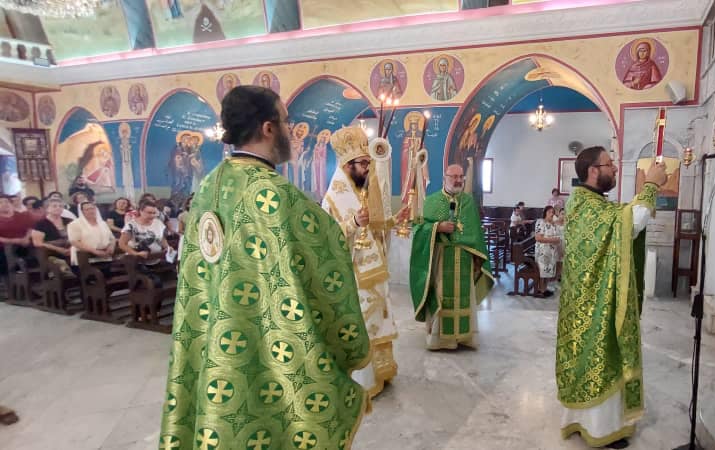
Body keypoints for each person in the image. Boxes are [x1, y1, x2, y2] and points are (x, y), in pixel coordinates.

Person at [159, 85, 371, 450]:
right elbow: (327, 257)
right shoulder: (276, 195)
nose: (291, 130)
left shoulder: (208, 188)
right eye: (287, 122)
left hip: (215, 337)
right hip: (265, 337)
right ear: (269, 128)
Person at [557, 146, 667, 448]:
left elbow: (619, 220)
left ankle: (582, 421)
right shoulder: (585, 204)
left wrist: (642, 193)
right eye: (610, 164)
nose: (615, 169)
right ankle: (601, 429)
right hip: (593, 300)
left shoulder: (590, 203)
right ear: (593, 170)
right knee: (600, 355)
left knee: (586, 357)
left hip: (585, 297)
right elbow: (627, 224)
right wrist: (652, 186)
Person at [321, 126, 410, 398]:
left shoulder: (362, 191)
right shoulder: (333, 198)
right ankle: (363, 381)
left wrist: (396, 218)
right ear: (348, 165)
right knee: (362, 323)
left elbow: (375, 228)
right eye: (363, 164)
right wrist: (352, 223)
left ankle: (381, 374)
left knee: (378, 321)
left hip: (374, 271)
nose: (367, 168)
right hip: (353, 275)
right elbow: (327, 237)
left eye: (368, 163)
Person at [410, 164, 494, 350]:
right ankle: (440, 339)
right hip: (441, 258)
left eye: (460, 176)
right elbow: (417, 228)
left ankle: (465, 336)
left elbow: (475, 234)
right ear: (444, 178)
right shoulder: (431, 201)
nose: (457, 180)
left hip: (464, 260)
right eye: (453, 176)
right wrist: (437, 227)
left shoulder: (468, 201)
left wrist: (477, 259)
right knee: (441, 295)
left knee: (464, 297)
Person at [31, 198, 74, 276]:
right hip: (51, 251)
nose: (58, 208)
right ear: (47, 209)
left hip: (70, 248)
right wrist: (59, 249)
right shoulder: (41, 224)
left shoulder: (69, 221)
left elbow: (77, 237)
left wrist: (71, 248)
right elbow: (37, 243)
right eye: (54, 206)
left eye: (61, 206)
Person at [68, 201, 116, 269]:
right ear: (82, 211)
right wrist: (95, 251)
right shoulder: (74, 224)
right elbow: (74, 241)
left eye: (92, 208)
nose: (91, 211)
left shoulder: (102, 223)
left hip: (105, 257)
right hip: (84, 259)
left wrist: (111, 247)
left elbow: (112, 238)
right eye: (87, 209)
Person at [0, 195, 35, 272]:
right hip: (4, 247)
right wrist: (16, 241)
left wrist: (26, 238)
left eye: (6, 202)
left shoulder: (22, 215)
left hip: (25, 244)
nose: (4, 204)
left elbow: (30, 228)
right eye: (0, 202)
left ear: (11, 203)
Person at [533, 205, 562, 298]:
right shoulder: (540, 222)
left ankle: (544, 289)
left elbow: (557, 236)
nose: (551, 214)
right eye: (549, 212)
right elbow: (538, 238)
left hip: (551, 251)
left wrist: (556, 241)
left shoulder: (553, 224)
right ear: (545, 213)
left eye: (553, 212)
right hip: (542, 250)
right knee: (542, 271)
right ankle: (539, 290)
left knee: (548, 271)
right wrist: (553, 240)